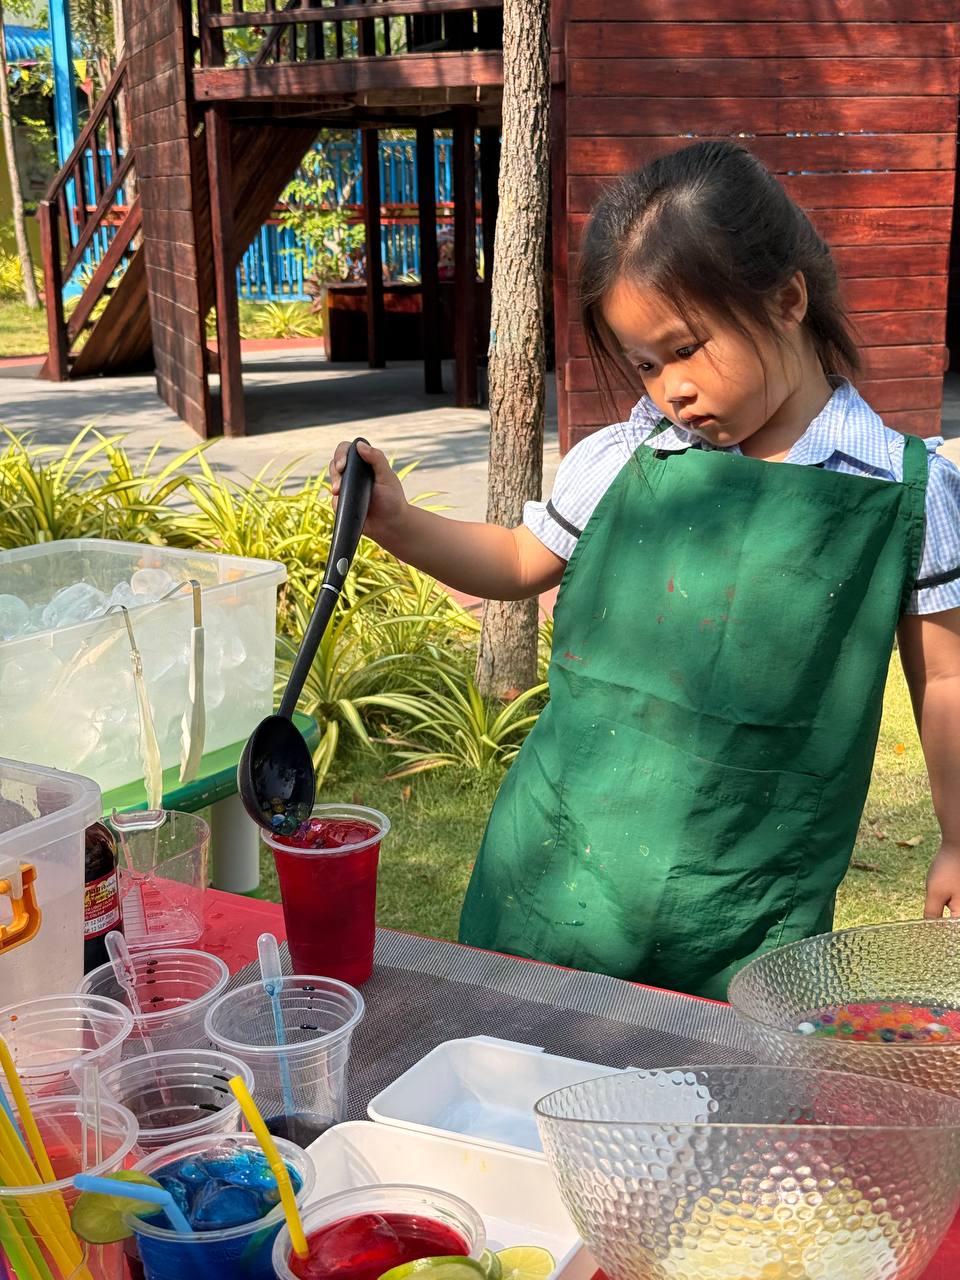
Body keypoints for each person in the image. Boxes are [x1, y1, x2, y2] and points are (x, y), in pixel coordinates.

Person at [330, 140, 960, 999]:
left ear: (787, 300)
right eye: (646, 365)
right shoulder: (625, 456)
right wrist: (398, 522)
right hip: (559, 865)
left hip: (748, 897)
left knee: (711, 1076)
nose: (671, 391)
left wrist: (956, 835)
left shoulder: (907, 494)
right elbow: (519, 560)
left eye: (687, 348)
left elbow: (946, 679)